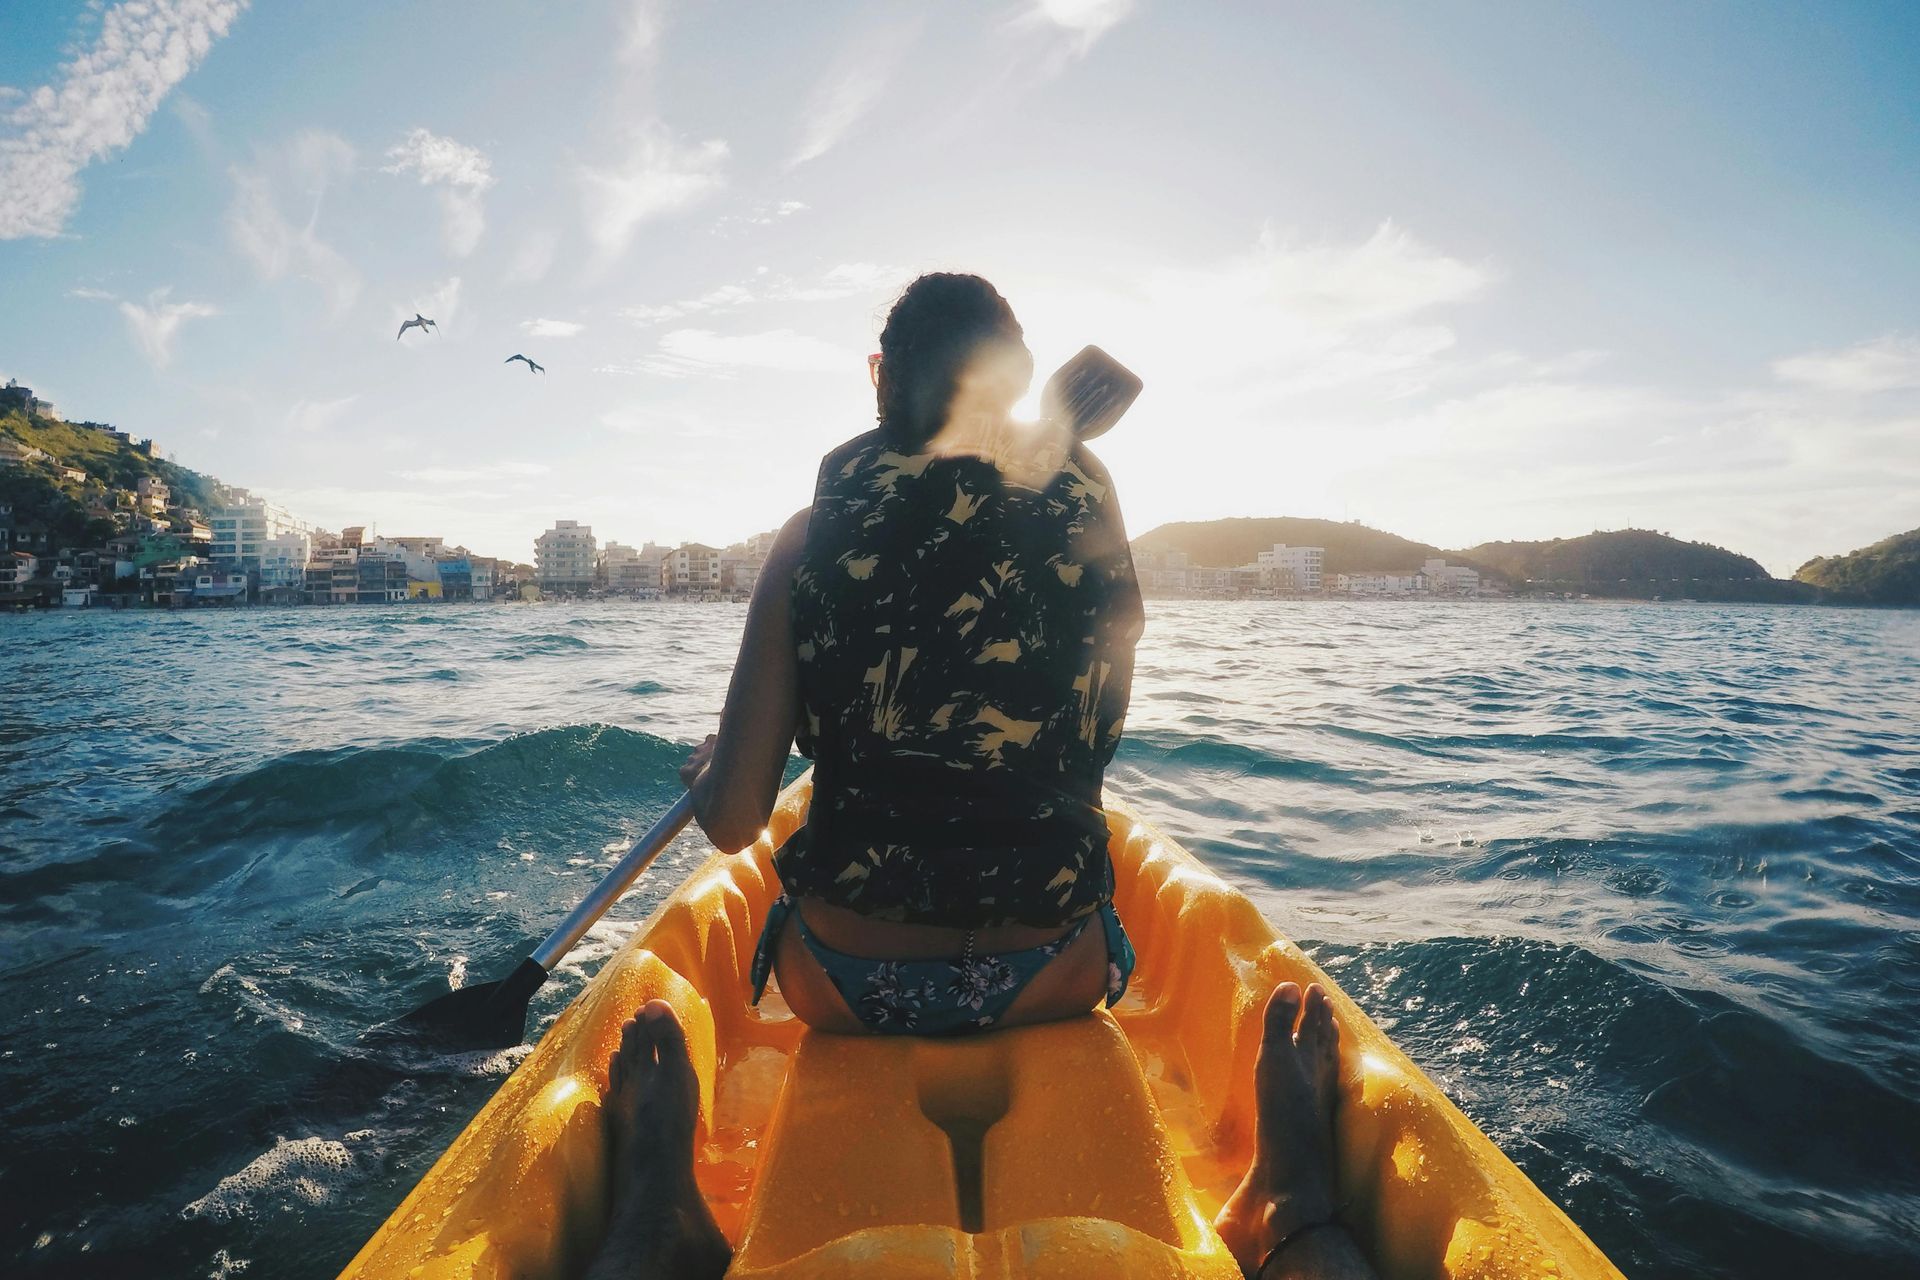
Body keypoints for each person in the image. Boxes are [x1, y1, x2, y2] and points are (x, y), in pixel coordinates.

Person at [584, 274, 1378, 1280]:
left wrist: (717, 763)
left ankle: (658, 1216)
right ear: (1015, 383)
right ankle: (1295, 1211)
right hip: (1055, 971)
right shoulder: (1085, 504)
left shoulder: (807, 536)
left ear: (879, 377)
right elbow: (1091, 730)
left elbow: (740, 818)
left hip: (842, 981)